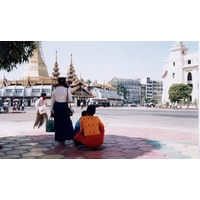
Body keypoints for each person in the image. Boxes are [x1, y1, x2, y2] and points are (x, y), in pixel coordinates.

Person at [50, 77, 74, 146]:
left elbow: (52, 102)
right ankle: (70, 137)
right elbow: (70, 100)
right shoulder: (67, 90)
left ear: (58, 83)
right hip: (64, 107)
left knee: (58, 124)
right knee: (67, 122)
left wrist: (51, 110)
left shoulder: (54, 91)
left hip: (57, 107)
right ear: (64, 83)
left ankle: (60, 140)